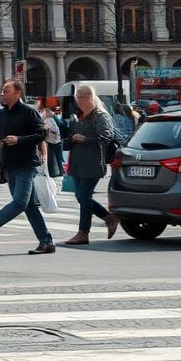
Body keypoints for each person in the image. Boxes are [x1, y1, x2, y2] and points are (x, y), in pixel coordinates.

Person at [0, 80, 55, 254]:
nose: (2, 93)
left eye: (6, 90)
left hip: (27, 165)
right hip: (9, 166)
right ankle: (46, 241)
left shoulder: (28, 112)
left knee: (19, 203)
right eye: (2, 90)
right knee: (29, 206)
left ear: (18, 93)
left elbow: (42, 133)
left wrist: (19, 139)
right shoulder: (1, 115)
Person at [62, 84, 120, 245]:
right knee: (81, 196)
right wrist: (72, 139)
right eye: (77, 100)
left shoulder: (101, 116)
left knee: (83, 196)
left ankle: (83, 232)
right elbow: (67, 141)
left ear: (89, 98)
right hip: (78, 163)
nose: (78, 103)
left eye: (81, 99)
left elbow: (105, 138)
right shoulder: (79, 117)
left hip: (93, 162)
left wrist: (84, 139)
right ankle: (109, 217)